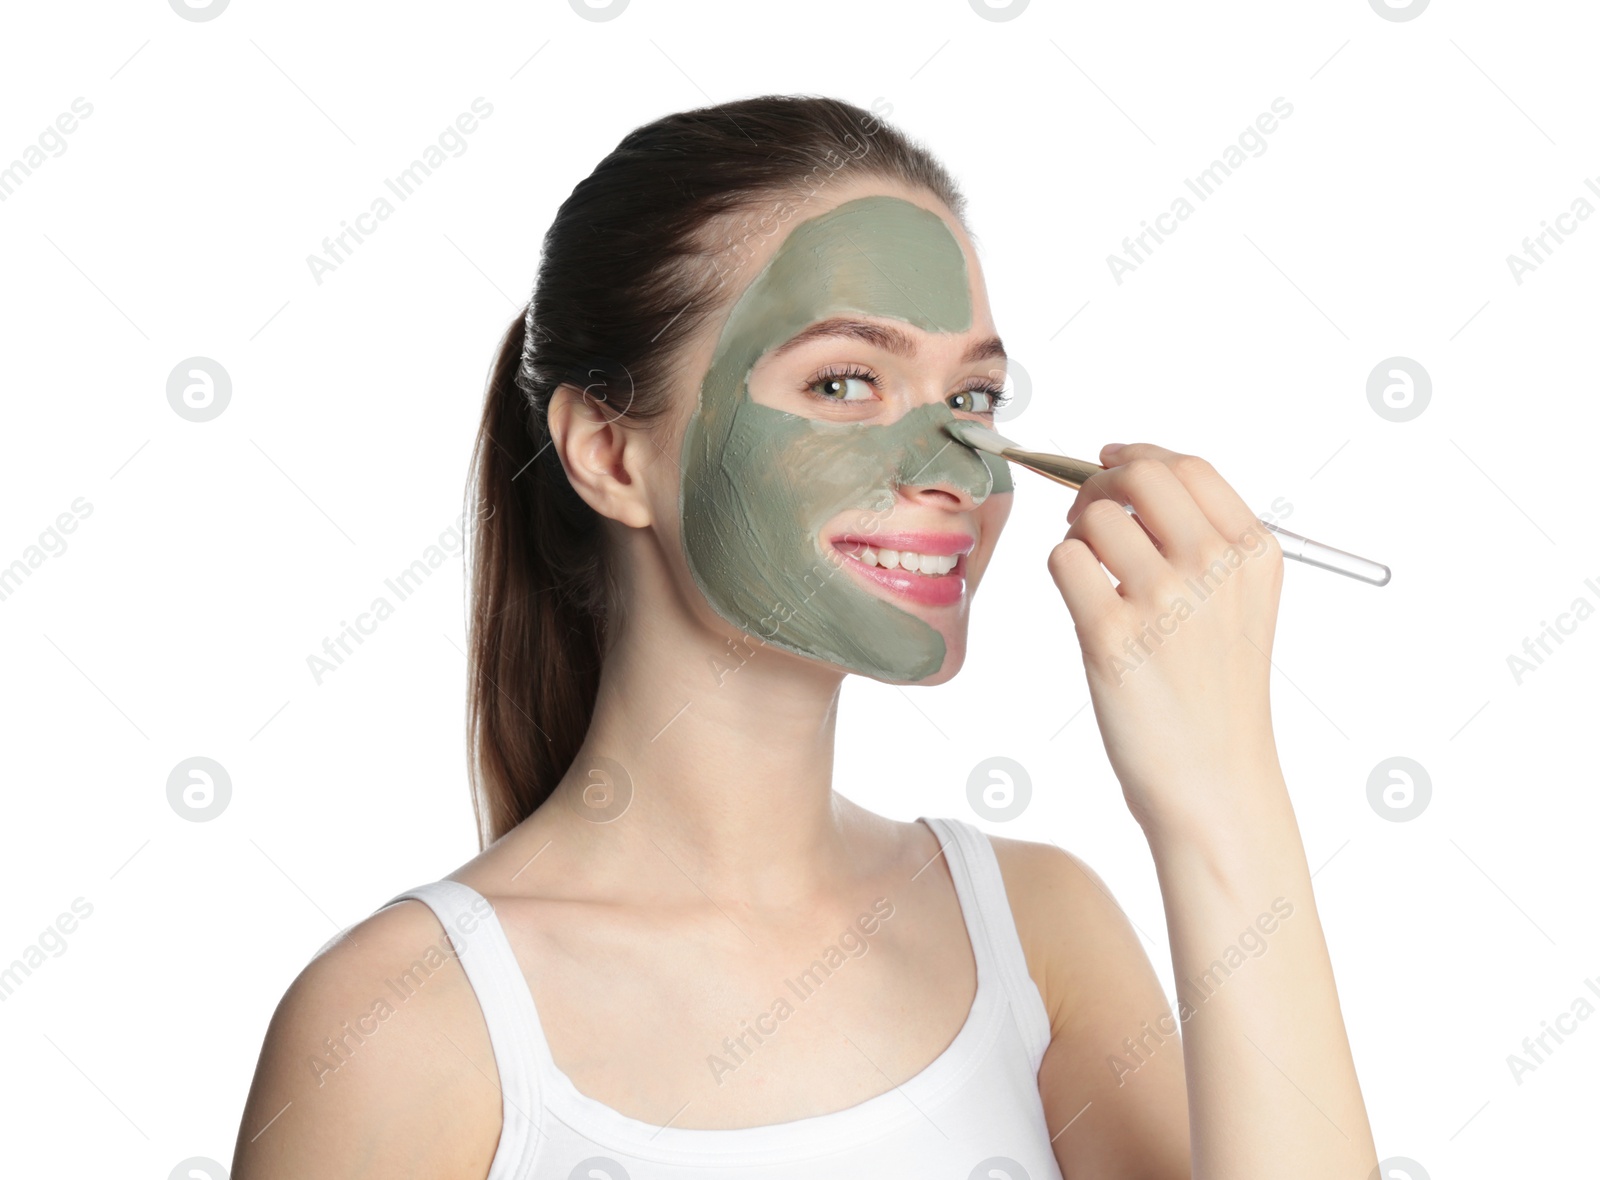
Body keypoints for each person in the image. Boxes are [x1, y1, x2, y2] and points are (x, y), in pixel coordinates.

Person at [232, 94, 1378, 1179]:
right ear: (610, 453)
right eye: (845, 381)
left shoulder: (1039, 932)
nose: (955, 465)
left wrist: (1222, 796)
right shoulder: (401, 1022)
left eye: (972, 399)